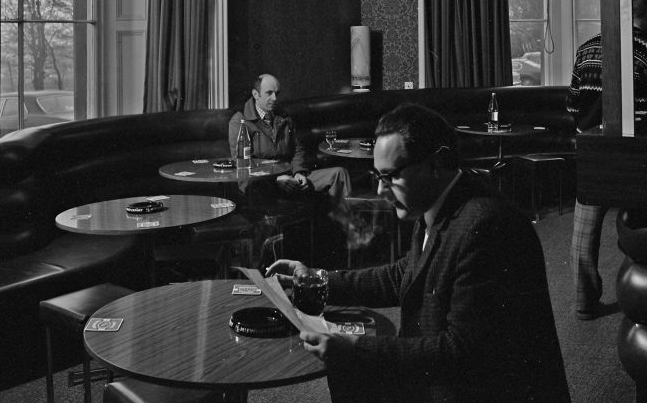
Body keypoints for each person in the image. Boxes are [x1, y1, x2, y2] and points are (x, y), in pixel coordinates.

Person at [266, 103, 571, 403]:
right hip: (446, 381)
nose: (382, 192)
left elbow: (460, 352)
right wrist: (316, 279)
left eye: (391, 177)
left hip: (477, 391)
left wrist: (356, 348)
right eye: (378, 178)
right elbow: (406, 273)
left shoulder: (486, 225)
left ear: (435, 165)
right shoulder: (436, 201)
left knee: (353, 367)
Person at [566, 0, 647, 320]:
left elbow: (572, 105)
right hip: (637, 148)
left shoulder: (586, 50)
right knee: (645, 223)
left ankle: (584, 303)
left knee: (585, 228)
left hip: (592, 145)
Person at [230, 74, 351, 211]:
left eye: (277, 93)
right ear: (255, 94)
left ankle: (348, 227)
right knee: (259, 190)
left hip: (290, 178)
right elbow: (242, 163)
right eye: (269, 93)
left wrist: (299, 172)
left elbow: (297, 150)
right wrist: (276, 179)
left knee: (339, 174)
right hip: (262, 184)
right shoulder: (239, 121)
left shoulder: (284, 116)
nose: (275, 98)